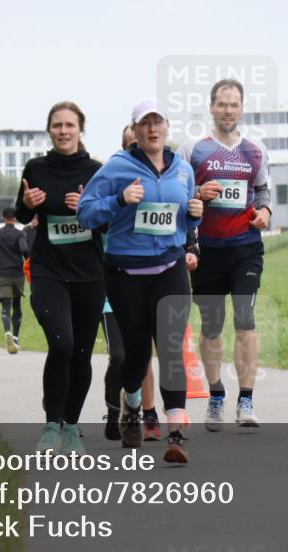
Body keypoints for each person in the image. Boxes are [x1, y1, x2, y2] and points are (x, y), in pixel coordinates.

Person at [79, 98, 203, 463]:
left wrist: (194, 216)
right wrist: (119, 198)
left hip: (170, 269)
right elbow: (86, 213)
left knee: (171, 347)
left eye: (158, 122)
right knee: (135, 354)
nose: (152, 129)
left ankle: (176, 429)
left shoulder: (182, 169)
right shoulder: (117, 168)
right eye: (144, 124)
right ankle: (132, 404)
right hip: (125, 273)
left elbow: (182, 219)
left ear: (167, 127)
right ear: (134, 131)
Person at [177, 78, 272, 430]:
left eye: (234, 104)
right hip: (207, 250)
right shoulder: (193, 149)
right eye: (222, 104)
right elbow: (180, 192)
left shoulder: (255, 149)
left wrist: (266, 213)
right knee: (212, 326)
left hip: (246, 247)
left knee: (245, 319)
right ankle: (216, 396)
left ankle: (246, 400)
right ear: (212, 107)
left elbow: (262, 190)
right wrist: (199, 193)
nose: (228, 110)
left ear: (242, 108)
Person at [17, 101, 105, 456]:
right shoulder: (36, 168)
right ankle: (51, 425)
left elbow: (109, 219)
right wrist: (26, 201)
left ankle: (71, 425)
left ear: (81, 129)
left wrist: (89, 207)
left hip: (89, 272)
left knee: (82, 352)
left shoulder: (98, 170)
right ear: (49, 130)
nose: (64, 131)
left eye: (70, 125)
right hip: (48, 269)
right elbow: (24, 212)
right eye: (57, 125)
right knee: (62, 344)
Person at [101, 124, 170, 442]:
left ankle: (147, 412)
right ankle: (119, 409)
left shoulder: (161, 183)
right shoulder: (113, 180)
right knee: (121, 355)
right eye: (132, 145)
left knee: (145, 352)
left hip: (151, 281)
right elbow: (90, 218)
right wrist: (119, 200)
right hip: (114, 287)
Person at [0, 207, 29, 354]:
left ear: (3, 217)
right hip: (17, 273)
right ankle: (15, 338)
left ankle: (7, 332)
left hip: (2, 273)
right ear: (14, 218)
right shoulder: (20, 233)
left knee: (5, 307)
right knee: (17, 305)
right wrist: (26, 258)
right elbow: (24, 250)